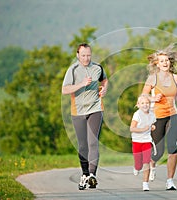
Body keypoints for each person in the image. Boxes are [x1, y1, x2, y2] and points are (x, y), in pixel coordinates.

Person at [141, 44, 177, 190]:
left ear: (170, 62)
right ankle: (153, 163)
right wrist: (152, 98)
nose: (165, 63)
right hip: (157, 117)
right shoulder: (152, 78)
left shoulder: (176, 78)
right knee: (158, 151)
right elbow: (143, 96)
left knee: (173, 149)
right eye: (162, 61)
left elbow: (176, 96)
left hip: (173, 115)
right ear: (157, 63)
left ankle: (170, 181)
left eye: (167, 60)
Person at [62, 43, 108, 190]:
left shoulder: (97, 68)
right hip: (78, 111)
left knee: (93, 142)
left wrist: (104, 89)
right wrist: (81, 84)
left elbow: (105, 80)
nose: (86, 58)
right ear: (77, 55)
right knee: (83, 145)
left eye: (88, 55)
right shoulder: (73, 70)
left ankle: (92, 176)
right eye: (83, 55)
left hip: (95, 108)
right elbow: (64, 89)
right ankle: (85, 174)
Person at [130, 95, 157, 191]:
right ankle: (136, 167)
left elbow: (152, 123)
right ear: (138, 105)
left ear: (150, 104)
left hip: (147, 141)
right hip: (137, 141)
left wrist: (153, 126)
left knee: (146, 161)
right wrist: (143, 129)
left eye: (147, 103)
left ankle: (145, 183)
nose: (145, 105)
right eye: (142, 103)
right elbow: (132, 128)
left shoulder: (152, 115)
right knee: (139, 165)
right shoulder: (137, 115)